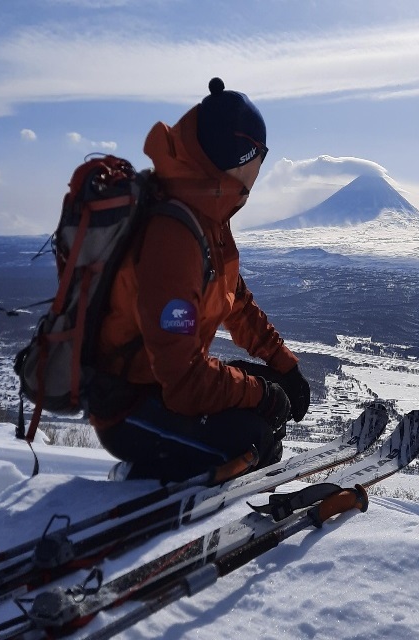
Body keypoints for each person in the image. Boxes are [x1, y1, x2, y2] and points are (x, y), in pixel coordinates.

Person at [88, 77, 310, 482]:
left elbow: (236, 301)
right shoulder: (173, 236)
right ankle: (149, 485)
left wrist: (284, 369)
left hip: (158, 382)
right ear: (244, 157)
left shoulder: (207, 215)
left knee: (270, 401)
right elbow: (185, 381)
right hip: (129, 407)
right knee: (256, 439)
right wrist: (261, 395)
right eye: (262, 157)